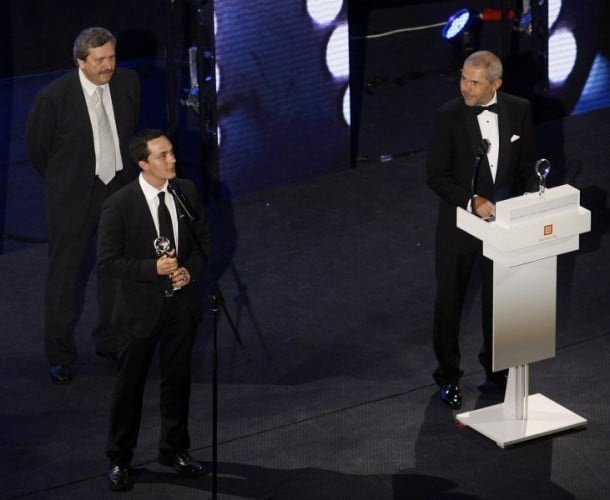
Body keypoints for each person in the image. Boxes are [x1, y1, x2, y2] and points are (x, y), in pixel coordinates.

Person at [97, 129, 212, 491]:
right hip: (138, 312)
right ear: (143, 163)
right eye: (163, 156)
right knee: (129, 387)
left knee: (177, 381)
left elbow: (203, 241)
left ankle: (175, 450)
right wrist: (153, 269)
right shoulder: (120, 204)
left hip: (181, 307)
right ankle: (119, 459)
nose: (172, 160)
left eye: (172, 152)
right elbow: (108, 261)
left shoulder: (186, 192)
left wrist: (188, 271)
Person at [25, 27, 140, 384]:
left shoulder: (128, 82)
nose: (108, 66)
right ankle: (59, 355)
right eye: (100, 60)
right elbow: (37, 148)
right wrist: (67, 182)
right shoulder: (54, 97)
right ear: (80, 62)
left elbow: (129, 131)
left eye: (112, 57)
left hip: (117, 191)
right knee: (65, 277)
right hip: (73, 198)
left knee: (116, 271)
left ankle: (111, 341)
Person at [426, 50, 539, 410]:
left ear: (496, 84)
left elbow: (524, 165)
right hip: (459, 227)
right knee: (450, 304)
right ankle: (448, 377)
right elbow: (436, 176)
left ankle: (497, 368)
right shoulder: (448, 117)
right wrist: (471, 200)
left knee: (500, 301)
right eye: (463, 78)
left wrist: (531, 201)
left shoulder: (519, 109)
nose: (466, 88)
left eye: (474, 82)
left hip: (503, 225)